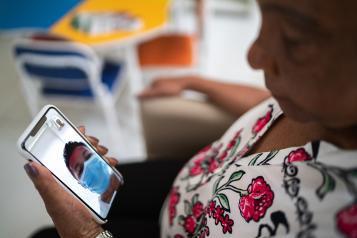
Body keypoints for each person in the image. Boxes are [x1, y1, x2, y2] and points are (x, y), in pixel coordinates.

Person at [24, 0, 357, 237]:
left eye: (294, 38)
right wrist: (194, 82)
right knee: (103, 184)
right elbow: (265, 101)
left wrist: (84, 233)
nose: (253, 56)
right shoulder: (307, 100)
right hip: (187, 180)